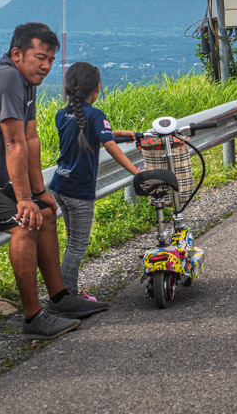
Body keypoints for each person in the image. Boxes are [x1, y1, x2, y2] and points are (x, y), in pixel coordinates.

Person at [0, 22, 107, 339]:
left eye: (51, 60)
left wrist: (39, 192)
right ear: (16, 53)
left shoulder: (26, 82)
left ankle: (60, 299)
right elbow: (13, 144)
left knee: (46, 213)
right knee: (25, 222)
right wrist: (25, 200)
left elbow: (31, 138)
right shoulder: (7, 78)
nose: (46, 66)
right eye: (40, 58)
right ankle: (33, 317)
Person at [51, 62, 139, 300]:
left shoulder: (63, 114)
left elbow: (91, 134)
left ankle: (71, 290)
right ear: (97, 88)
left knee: (72, 243)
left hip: (60, 185)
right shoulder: (95, 115)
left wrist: (118, 133)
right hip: (78, 190)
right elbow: (108, 146)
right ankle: (66, 296)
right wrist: (136, 172)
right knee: (78, 245)